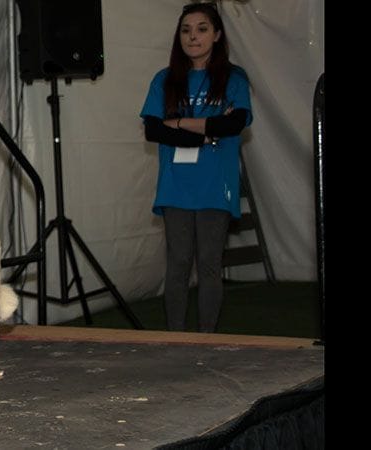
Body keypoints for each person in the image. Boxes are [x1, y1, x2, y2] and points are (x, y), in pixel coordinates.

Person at [139, 3, 253, 333]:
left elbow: (233, 124)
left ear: (217, 35)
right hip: (176, 184)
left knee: (208, 265)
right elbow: (153, 130)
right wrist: (203, 134)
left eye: (202, 29)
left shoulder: (234, 78)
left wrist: (180, 122)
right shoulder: (165, 79)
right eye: (186, 29)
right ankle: (175, 338)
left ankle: (207, 339)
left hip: (215, 184)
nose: (193, 36)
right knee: (176, 264)